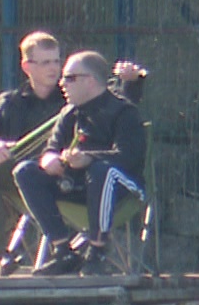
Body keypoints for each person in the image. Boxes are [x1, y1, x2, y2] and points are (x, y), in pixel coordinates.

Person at [14, 50, 147, 276]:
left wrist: (88, 158)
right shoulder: (69, 113)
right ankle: (63, 250)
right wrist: (50, 160)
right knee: (25, 171)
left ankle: (97, 252)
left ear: (91, 80)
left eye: (70, 78)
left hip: (121, 188)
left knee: (101, 170)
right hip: (79, 185)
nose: (62, 84)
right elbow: (51, 149)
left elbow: (129, 157)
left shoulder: (124, 112)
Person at [0, 32, 67, 274]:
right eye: (45, 63)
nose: (54, 68)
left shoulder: (70, 100)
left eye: (56, 61)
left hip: (61, 177)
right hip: (20, 177)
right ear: (26, 67)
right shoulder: (12, 101)